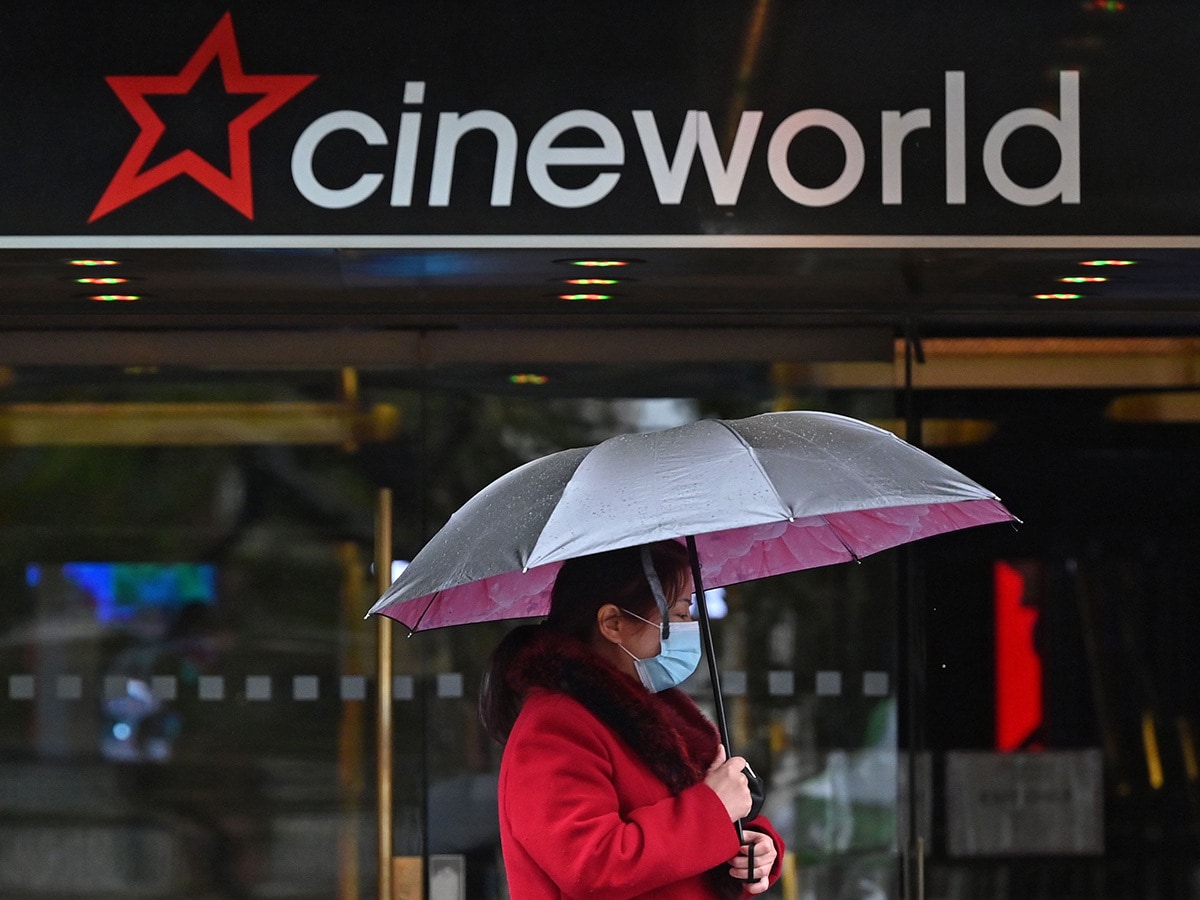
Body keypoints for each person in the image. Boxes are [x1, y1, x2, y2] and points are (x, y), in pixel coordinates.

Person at [480, 540, 785, 899]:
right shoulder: (555, 728)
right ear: (613, 623)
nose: (691, 626)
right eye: (681, 613)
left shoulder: (657, 715)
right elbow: (592, 866)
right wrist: (713, 810)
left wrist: (752, 849)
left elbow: (686, 847)